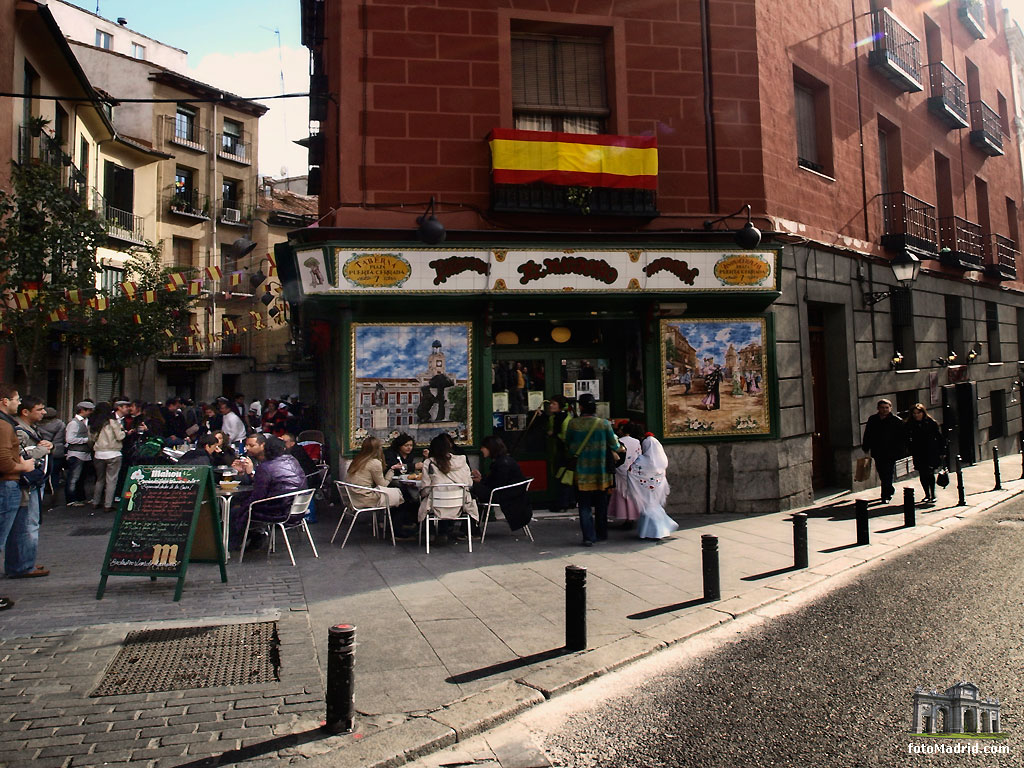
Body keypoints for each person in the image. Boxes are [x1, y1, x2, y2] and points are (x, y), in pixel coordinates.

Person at [0, 385, 43, 605]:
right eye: (16, 399)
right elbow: (5, 461)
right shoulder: (5, 425)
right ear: (4, 401)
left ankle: (19, 565)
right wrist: (24, 466)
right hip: (7, 484)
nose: (19, 403)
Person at [228, 434, 307, 549]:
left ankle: (232, 545)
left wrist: (243, 506)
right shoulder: (292, 460)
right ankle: (256, 535)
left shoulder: (265, 467)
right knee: (243, 506)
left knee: (236, 511)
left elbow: (258, 496)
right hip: (297, 508)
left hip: (279, 510)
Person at [564, 393, 621, 546]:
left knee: (584, 505)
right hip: (601, 473)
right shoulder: (604, 424)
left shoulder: (573, 424)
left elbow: (568, 445)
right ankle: (601, 533)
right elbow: (615, 446)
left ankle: (588, 537)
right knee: (601, 505)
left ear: (580, 407)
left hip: (581, 473)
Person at [9, 394, 53, 578]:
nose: (43, 413)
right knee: (28, 523)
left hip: (33, 482)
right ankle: (24, 564)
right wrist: (44, 449)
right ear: (26, 412)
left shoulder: (32, 428)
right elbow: (19, 454)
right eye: (39, 409)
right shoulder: (19, 430)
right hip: (27, 483)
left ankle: (24, 562)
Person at [419, 433, 477, 542]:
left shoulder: (429, 463)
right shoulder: (462, 460)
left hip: (436, 507)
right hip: (459, 505)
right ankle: (444, 531)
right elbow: (469, 484)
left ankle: (430, 532)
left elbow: (425, 488)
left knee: (426, 499)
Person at [470, 435, 531, 533]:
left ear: (490, 448)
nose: (481, 450)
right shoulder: (503, 460)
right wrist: (481, 479)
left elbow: (497, 483)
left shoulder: (503, 463)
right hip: (508, 493)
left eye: (483, 447)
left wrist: (479, 481)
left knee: (471, 491)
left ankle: (472, 528)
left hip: (505, 495)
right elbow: (495, 479)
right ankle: (471, 527)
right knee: (474, 490)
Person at [343, 436, 404, 531]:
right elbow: (383, 485)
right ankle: (396, 529)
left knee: (393, 494)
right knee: (400, 495)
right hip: (365, 498)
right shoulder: (374, 463)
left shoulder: (357, 460)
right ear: (377, 449)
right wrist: (392, 470)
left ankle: (383, 523)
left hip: (353, 497)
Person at [627, 433, 678, 540]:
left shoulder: (641, 461)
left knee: (648, 509)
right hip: (657, 488)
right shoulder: (662, 461)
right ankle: (658, 530)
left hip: (643, 488)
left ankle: (655, 532)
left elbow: (632, 471)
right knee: (654, 506)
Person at [862, 398, 905, 503]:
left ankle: (885, 495)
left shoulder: (896, 421)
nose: (884, 410)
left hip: (891, 452)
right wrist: (866, 447)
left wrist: (900, 450)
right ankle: (889, 488)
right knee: (881, 472)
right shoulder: (873, 419)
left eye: (887, 407)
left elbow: (902, 437)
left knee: (888, 473)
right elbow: (868, 434)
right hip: (878, 451)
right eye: (882, 408)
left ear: (890, 408)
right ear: (878, 408)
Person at [89, 403, 125, 512]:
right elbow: (120, 436)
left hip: (98, 453)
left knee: (100, 479)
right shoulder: (112, 421)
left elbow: (91, 439)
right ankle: (108, 504)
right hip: (113, 453)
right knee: (111, 480)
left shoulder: (93, 423)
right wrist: (123, 431)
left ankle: (95, 502)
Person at [905, 403, 944, 504]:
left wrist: (942, 451)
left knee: (930, 473)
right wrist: (910, 448)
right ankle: (927, 494)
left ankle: (933, 494)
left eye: (918, 413)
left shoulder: (931, 423)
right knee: (922, 473)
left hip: (930, 451)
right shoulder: (910, 424)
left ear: (923, 413)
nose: (916, 415)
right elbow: (907, 438)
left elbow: (939, 437)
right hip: (918, 452)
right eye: (914, 413)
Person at [608, 421, 642, 528]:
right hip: (633, 470)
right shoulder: (636, 442)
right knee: (632, 493)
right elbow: (639, 455)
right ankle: (631, 517)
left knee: (622, 493)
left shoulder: (618, 442)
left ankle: (625, 515)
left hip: (620, 469)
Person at [545, 395, 575, 513]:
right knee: (564, 477)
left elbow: (566, 437)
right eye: (550, 403)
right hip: (557, 452)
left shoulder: (565, 419)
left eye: (554, 404)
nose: (551, 405)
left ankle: (563, 503)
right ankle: (570, 501)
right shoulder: (553, 418)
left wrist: (553, 434)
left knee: (564, 478)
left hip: (565, 453)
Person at [64, 400, 94, 506]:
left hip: (85, 454)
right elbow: (70, 439)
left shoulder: (86, 422)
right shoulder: (73, 423)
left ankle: (81, 498)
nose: (91, 412)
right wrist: (86, 440)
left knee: (82, 478)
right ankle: (71, 499)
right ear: (82, 410)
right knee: (74, 478)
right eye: (89, 410)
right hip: (76, 454)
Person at [37, 407, 66, 502]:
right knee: (55, 475)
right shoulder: (60, 424)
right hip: (56, 451)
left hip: (41, 451)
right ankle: (55, 496)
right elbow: (60, 439)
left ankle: (41, 497)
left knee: (42, 474)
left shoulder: (37, 424)